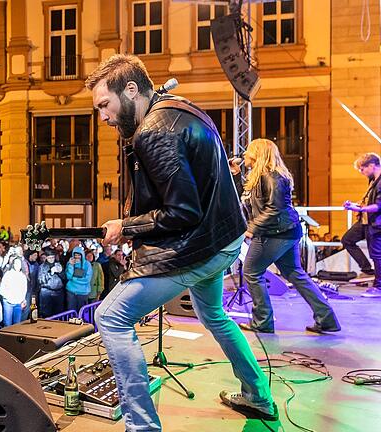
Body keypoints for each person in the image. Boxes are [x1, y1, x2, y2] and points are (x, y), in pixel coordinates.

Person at [87, 54, 277, 430]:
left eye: (104, 105)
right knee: (215, 315)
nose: (103, 117)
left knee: (110, 316)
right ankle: (257, 395)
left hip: (202, 245)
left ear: (130, 90)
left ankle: (142, 427)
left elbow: (183, 212)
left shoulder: (153, 131)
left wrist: (126, 226)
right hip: (225, 239)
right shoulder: (178, 108)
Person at [232, 139, 341, 334]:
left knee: (251, 271)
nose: (244, 156)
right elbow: (245, 199)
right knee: (295, 275)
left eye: (248, 152)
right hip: (281, 232)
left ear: (258, 154)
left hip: (275, 233)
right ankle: (327, 319)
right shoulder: (261, 176)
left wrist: (252, 228)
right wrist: (237, 175)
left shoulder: (273, 176)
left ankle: (263, 322)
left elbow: (275, 209)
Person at [342, 153, 381, 297]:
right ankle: (367, 270)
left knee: (377, 255)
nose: (361, 172)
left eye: (362, 169)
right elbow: (370, 202)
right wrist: (356, 205)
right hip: (367, 221)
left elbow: (378, 206)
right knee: (347, 240)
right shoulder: (372, 180)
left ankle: (379, 287)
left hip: (376, 223)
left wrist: (359, 208)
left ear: (372, 165)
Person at [0, 257, 27, 327]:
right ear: (13, 264)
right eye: (15, 263)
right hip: (8, 302)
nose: (17, 265)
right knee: (7, 323)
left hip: (18, 303)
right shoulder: (8, 274)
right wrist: (7, 297)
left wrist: (23, 299)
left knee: (17, 324)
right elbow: (2, 288)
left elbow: (24, 289)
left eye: (19, 263)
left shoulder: (23, 276)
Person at [37, 249, 65, 317]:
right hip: (46, 292)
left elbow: (64, 278)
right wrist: (50, 273)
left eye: (53, 257)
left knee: (58, 312)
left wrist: (60, 272)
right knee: (46, 312)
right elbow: (41, 280)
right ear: (46, 257)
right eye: (49, 258)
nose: (51, 259)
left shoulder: (58, 264)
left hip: (58, 291)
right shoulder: (42, 267)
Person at [64, 246, 91, 312]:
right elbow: (68, 276)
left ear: (82, 255)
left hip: (83, 292)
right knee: (71, 311)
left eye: (79, 255)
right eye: (75, 255)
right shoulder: (70, 263)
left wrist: (74, 279)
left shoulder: (87, 264)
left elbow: (87, 279)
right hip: (71, 291)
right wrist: (71, 265)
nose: (77, 257)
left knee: (82, 312)